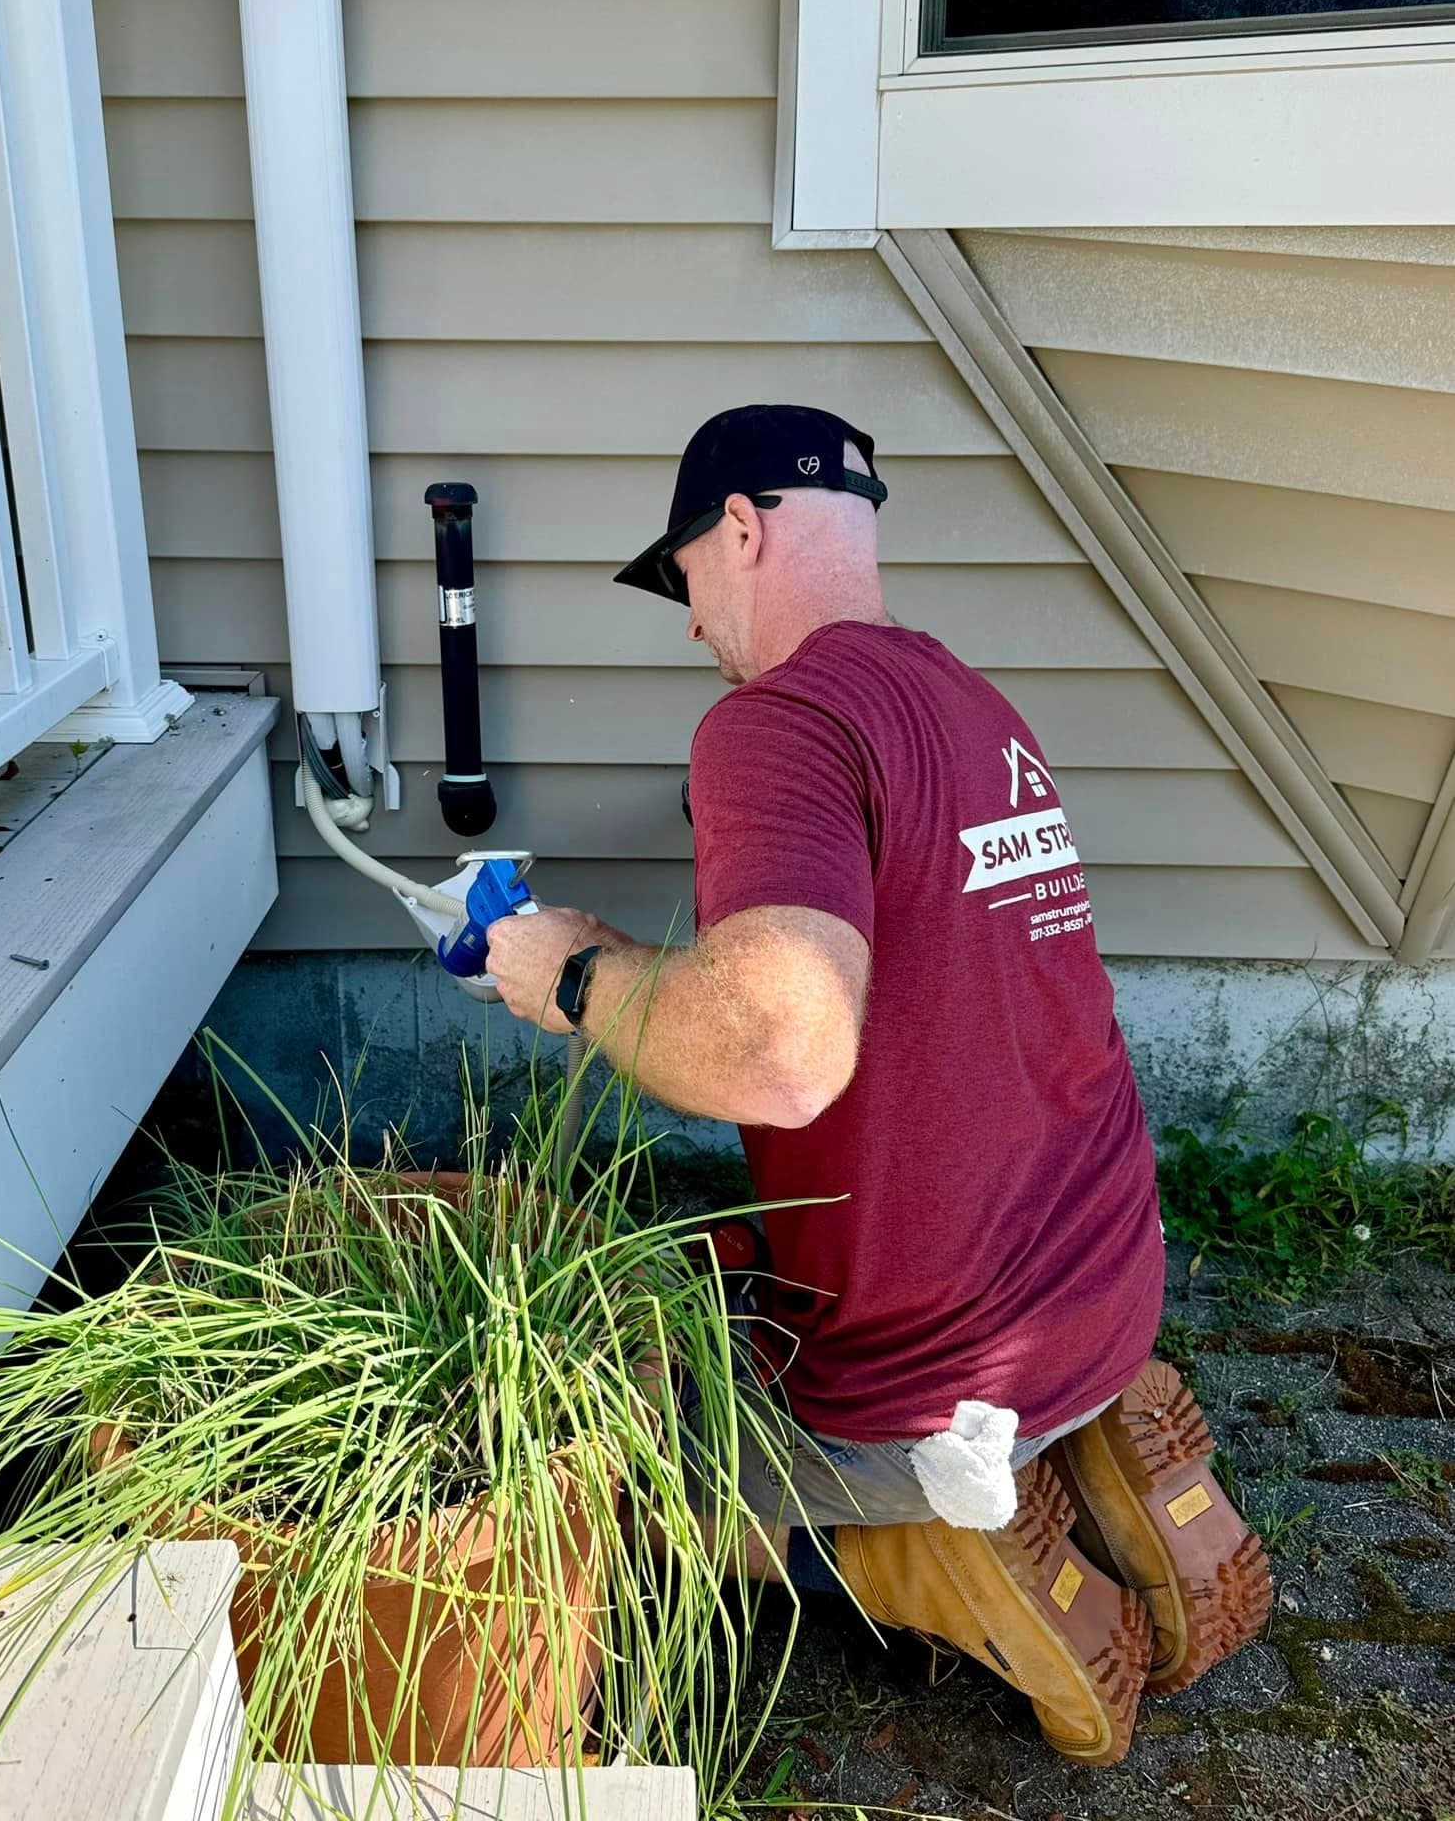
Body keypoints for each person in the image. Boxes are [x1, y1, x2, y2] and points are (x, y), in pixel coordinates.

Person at [488, 404, 1270, 1766]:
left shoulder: (770, 723)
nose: (686, 623)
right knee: (750, 1273)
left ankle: (920, 1547)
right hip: (1096, 1277)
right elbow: (874, 984)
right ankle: (1081, 1445)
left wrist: (567, 981)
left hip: (927, 1366)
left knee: (598, 1442)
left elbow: (777, 1055)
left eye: (681, 580)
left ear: (739, 528)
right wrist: (616, 954)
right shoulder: (970, 706)